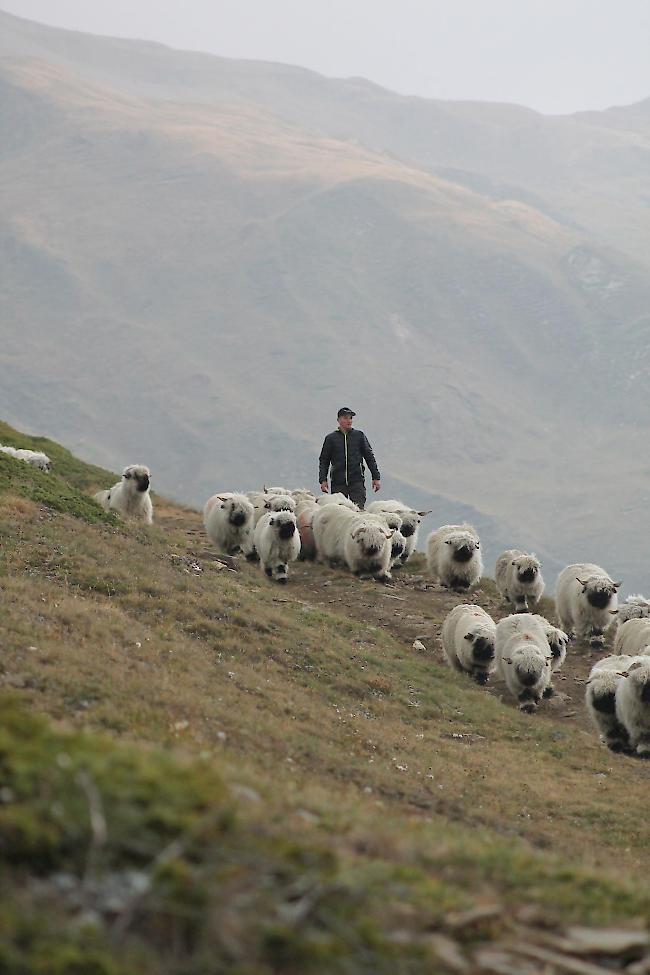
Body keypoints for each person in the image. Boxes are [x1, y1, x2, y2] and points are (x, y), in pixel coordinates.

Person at [318, 407, 381, 509]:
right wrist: (323, 480)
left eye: (350, 418)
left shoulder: (359, 436)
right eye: (346, 418)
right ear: (338, 420)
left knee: (358, 511)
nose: (349, 420)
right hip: (338, 482)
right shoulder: (331, 438)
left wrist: (376, 477)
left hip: (357, 481)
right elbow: (324, 460)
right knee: (338, 512)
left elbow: (369, 456)